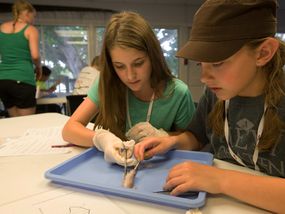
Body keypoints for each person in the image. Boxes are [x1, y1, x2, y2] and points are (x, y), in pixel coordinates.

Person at [134, 0, 285, 213]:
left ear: (263, 53)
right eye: (201, 64)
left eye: (217, 63)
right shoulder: (217, 93)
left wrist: (220, 180)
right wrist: (173, 142)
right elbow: (197, 137)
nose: (204, 77)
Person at [62, 11, 196, 166]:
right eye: (120, 66)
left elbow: (193, 140)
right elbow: (69, 130)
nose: (130, 76)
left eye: (138, 63)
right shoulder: (106, 83)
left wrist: (164, 136)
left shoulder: (178, 93)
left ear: (153, 56)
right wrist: (102, 139)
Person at [0, 0, 42, 117]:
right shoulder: (30, 29)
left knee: (15, 122)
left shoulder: (2, 27)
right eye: (33, 16)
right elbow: (35, 55)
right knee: (26, 123)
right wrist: (39, 68)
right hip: (22, 79)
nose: (33, 20)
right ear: (27, 13)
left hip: (3, 80)